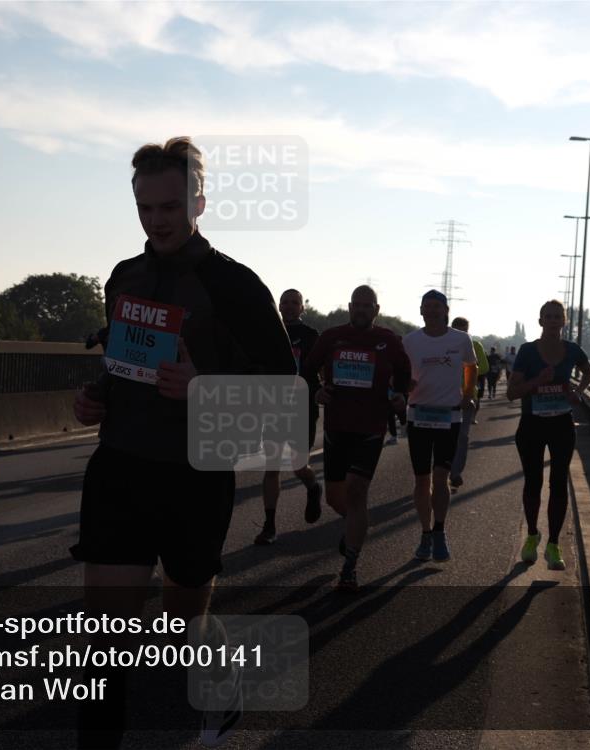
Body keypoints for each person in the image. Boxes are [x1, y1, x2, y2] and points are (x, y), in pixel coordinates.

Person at [71, 137, 295, 748]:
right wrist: (94, 398)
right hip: (120, 468)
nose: (157, 220)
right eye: (145, 208)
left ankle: (219, 685)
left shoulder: (237, 286)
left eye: (170, 206)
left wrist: (205, 388)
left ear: (198, 200)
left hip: (195, 476)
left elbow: (288, 395)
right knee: (102, 640)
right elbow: (121, 368)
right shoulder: (123, 277)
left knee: (181, 621)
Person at [302, 286, 411, 590]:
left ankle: (350, 565)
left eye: (368, 306)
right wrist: (316, 391)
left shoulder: (388, 340)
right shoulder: (332, 337)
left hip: (371, 427)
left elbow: (404, 371)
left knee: (357, 491)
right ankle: (356, 526)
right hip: (336, 427)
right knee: (336, 497)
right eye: (357, 305)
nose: (362, 310)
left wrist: (401, 394)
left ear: (376, 309)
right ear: (349, 307)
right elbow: (308, 369)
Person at [506, 300, 590, 571]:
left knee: (558, 484)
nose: (554, 321)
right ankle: (533, 535)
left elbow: (589, 371)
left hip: (561, 425)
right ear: (540, 321)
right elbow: (512, 392)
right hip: (532, 424)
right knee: (533, 483)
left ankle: (554, 545)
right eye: (548, 317)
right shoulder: (528, 351)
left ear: (564, 321)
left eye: (558, 317)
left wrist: (578, 391)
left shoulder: (572, 351)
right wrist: (538, 382)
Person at [401, 291, 477, 563]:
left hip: (449, 417)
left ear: (446, 310)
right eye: (427, 307)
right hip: (419, 416)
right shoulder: (410, 341)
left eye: (437, 307)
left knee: (440, 478)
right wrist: (404, 389)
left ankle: (440, 530)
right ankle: (424, 532)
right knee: (422, 480)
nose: (431, 311)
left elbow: (471, 367)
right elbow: (402, 376)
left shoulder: (460, 339)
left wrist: (467, 394)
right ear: (420, 310)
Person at [254, 289, 324, 545]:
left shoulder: (310, 336)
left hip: (301, 407)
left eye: (295, 302)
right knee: (272, 466)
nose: (290, 306)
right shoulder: (267, 333)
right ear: (279, 306)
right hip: (274, 407)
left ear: (302, 308)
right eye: (285, 302)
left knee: (297, 464)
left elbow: (320, 370)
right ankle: (269, 525)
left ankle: (313, 487)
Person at [449, 317, 488, 489]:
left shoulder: (475, 345)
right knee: (443, 437)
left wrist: (469, 367)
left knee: (462, 437)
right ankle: (440, 472)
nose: (462, 333)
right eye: (458, 329)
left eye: (465, 329)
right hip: (445, 397)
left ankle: (455, 473)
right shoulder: (444, 342)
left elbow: (484, 368)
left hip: (466, 397)